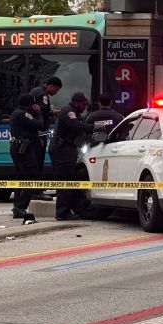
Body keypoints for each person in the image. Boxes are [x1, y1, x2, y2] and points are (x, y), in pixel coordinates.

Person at [50, 92, 105, 220]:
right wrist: (97, 127)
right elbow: (78, 127)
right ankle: (62, 213)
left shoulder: (76, 113)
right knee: (65, 181)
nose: (85, 106)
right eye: (83, 104)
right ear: (76, 103)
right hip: (61, 149)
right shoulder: (68, 111)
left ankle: (65, 211)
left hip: (67, 148)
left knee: (68, 179)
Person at [9, 94, 47, 222]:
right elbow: (40, 125)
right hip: (24, 149)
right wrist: (39, 113)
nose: (34, 107)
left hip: (17, 147)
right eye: (33, 105)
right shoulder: (24, 114)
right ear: (29, 105)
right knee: (31, 176)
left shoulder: (15, 113)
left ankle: (17, 207)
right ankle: (21, 206)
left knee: (20, 177)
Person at [27, 77, 62, 199]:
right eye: (56, 90)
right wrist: (54, 113)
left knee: (32, 161)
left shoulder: (34, 91)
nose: (55, 92)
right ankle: (37, 192)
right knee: (38, 161)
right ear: (50, 86)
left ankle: (33, 190)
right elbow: (41, 113)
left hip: (31, 132)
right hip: (39, 133)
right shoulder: (43, 95)